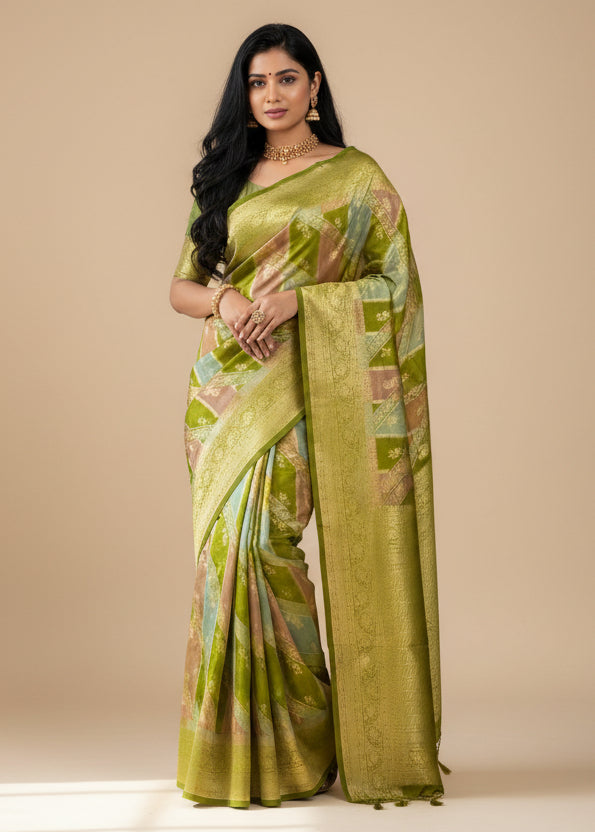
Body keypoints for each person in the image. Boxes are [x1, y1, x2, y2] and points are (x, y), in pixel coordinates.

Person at [169, 22, 451, 810]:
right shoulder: (224, 177)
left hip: (307, 382)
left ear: (315, 86)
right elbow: (181, 287)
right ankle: (238, 757)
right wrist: (226, 298)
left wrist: (301, 302)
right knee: (227, 561)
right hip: (223, 391)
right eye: (257, 83)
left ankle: (308, 745)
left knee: (269, 546)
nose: (271, 96)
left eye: (286, 79)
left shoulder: (356, 179)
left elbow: (393, 289)